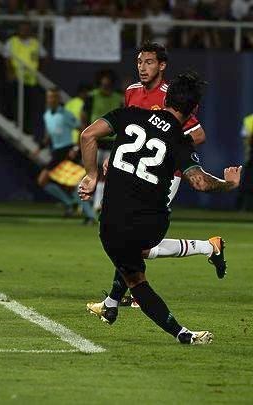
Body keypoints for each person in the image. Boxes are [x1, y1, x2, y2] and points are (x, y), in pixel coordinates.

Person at [78, 71, 241, 344]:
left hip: (109, 226)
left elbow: (87, 136)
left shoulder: (129, 114)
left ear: (165, 99)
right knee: (139, 255)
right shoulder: (179, 140)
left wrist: (92, 176)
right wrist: (229, 184)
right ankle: (205, 253)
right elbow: (200, 182)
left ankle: (157, 322)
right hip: (149, 225)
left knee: (136, 279)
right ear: (194, 110)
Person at [88, 42, 225, 316]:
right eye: (139, 62)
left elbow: (198, 135)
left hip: (165, 175)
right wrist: (116, 156)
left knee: (135, 240)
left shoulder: (170, 96)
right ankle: (208, 248)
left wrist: (169, 149)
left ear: (162, 66)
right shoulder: (132, 91)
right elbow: (129, 130)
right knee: (130, 236)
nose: (142, 67)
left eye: (149, 62)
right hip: (137, 172)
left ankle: (115, 301)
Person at [34, 87, 96, 223]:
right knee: (61, 184)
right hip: (57, 152)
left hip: (67, 151)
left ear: (59, 99)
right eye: (50, 97)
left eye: (54, 97)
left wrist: (76, 148)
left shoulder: (66, 114)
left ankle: (87, 214)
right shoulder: (47, 115)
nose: (52, 99)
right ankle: (72, 204)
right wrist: (39, 148)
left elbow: (82, 130)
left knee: (70, 184)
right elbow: (49, 136)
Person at [81, 70, 123, 212]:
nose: (105, 84)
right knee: (91, 172)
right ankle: (86, 204)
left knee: (106, 174)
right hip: (95, 141)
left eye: (108, 82)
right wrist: (84, 137)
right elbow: (84, 117)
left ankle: (98, 204)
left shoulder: (119, 98)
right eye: (103, 82)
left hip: (112, 142)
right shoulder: (92, 97)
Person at [238, 112, 253, 210]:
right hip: (252, 157)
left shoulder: (249, 120)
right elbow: (246, 139)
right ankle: (242, 208)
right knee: (247, 183)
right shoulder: (249, 120)